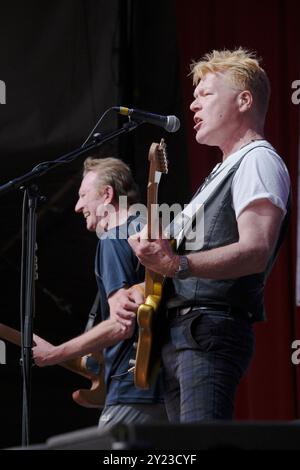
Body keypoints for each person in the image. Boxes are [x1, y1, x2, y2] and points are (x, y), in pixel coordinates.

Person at [115, 48, 291, 423]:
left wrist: (176, 263)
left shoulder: (257, 159)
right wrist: (141, 287)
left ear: (244, 100)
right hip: (183, 333)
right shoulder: (219, 173)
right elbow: (172, 265)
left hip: (207, 330)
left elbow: (256, 249)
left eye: (206, 94)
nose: (194, 104)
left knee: (200, 446)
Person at [33, 157, 166, 428]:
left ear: (107, 195)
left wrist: (54, 354)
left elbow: (122, 325)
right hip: (167, 385)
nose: (78, 206)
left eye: (83, 195)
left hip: (132, 388)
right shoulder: (153, 233)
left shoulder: (114, 239)